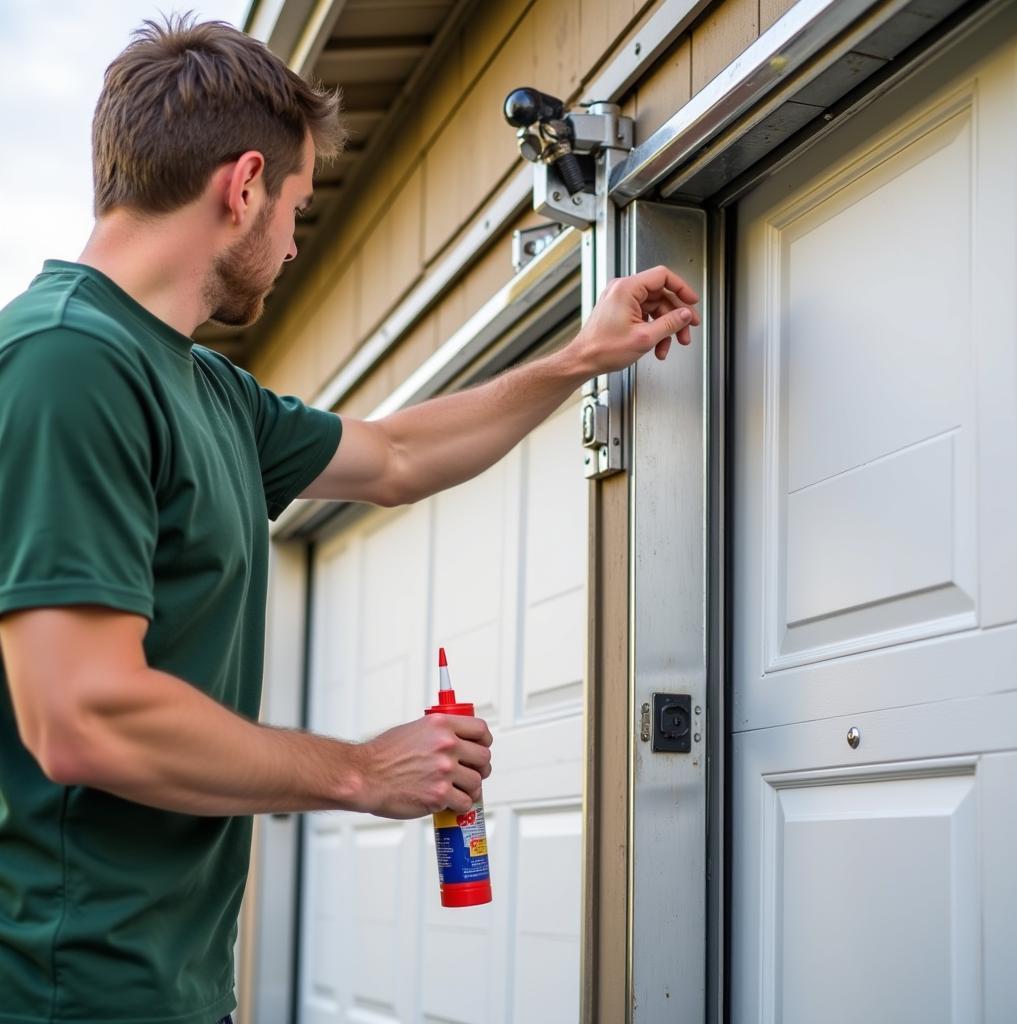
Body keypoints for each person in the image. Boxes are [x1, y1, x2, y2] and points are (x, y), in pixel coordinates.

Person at [0, 15, 699, 1024]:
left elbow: (400, 453)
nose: (291, 242)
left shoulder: (207, 390)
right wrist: (363, 770)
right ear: (242, 187)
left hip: (170, 990)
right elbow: (80, 717)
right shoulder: (67, 363)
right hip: (65, 996)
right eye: (295, 208)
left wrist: (578, 357)